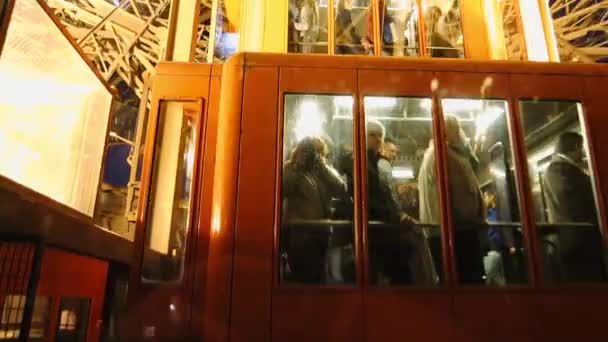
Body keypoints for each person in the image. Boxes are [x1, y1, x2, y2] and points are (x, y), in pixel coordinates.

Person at [419, 114, 486, 284]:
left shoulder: (430, 154)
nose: (461, 134)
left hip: (439, 232)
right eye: (458, 129)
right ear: (447, 131)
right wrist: (476, 218)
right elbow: (461, 198)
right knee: (469, 287)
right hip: (459, 233)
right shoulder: (446, 155)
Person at [282, 137, 348, 283]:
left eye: (319, 152)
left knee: (320, 278)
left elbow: (341, 189)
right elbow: (283, 189)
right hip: (300, 235)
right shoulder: (291, 168)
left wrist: (324, 168)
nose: (314, 156)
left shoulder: (323, 172)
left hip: (321, 234)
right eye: (311, 152)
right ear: (299, 152)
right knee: (303, 278)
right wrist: (298, 167)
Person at [542, 131, 605, 282]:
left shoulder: (564, 169)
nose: (583, 152)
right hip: (578, 242)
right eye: (582, 147)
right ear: (576, 147)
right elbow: (572, 203)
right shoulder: (558, 169)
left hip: (579, 242)